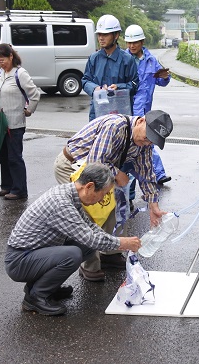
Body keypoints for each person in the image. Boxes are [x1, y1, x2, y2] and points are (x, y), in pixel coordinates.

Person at [4, 162, 141, 316]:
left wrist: (118, 241)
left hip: (34, 254)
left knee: (86, 247)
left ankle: (45, 287)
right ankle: (36, 297)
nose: (102, 199)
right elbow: (90, 238)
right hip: (19, 260)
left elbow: (90, 227)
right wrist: (122, 243)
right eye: (102, 194)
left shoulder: (70, 194)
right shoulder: (61, 202)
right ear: (89, 186)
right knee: (73, 254)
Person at [53, 110, 173, 280]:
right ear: (141, 121)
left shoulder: (145, 144)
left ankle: (110, 254)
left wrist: (153, 206)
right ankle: (89, 264)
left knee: (115, 206)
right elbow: (95, 161)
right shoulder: (115, 126)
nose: (146, 143)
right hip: (73, 167)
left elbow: (147, 173)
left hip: (100, 173)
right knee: (90, 213)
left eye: (151, 141)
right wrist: (118, 174)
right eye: (147, 137)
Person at [124, 24, 172, 185]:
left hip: (144, 109)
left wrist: (164, 77)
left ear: (142, 42)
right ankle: (154, 174)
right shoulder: (123, 59)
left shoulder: (151, 61)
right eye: (129, 43)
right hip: (127, 109)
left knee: (146, 142)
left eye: (135, 42)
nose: (132, 46)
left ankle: (156, 174)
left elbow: (161, 81)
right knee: (137, 144)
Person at [0, 44, 41, 200]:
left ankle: (19, 190)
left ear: (10, 57)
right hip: (0, 123)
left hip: (15, 124)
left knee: (14, 157)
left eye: (2, 60)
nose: (0, 63)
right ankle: (6, 186)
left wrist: (29, 110)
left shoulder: (20, 74)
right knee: (2, 156)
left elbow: (35, 94)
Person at [82, 14, 139, 122]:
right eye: (99, 34)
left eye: (105, 34)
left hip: (120, 114)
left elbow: (135, 85)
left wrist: (119, 87)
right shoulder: (94, 58)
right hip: (97, 114)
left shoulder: (127, 59)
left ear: (116, 35)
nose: (101, 38)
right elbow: (85, 80)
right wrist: (95, 88)